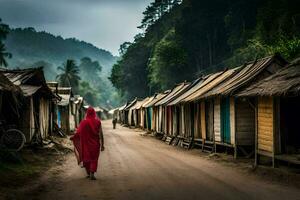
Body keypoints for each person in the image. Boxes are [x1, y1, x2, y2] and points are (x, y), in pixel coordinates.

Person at [71, 107, 105, 180]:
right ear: (94, 113)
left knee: (86, 158)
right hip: (95, 144)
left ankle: (88, 173)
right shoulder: (98, 122)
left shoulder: (83, 122)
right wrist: (102, 145)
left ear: (87, 113)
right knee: (94, 159)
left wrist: (73, 137)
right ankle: (92, 173)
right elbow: (101, 134)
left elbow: (78, 132)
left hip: (85, 144)